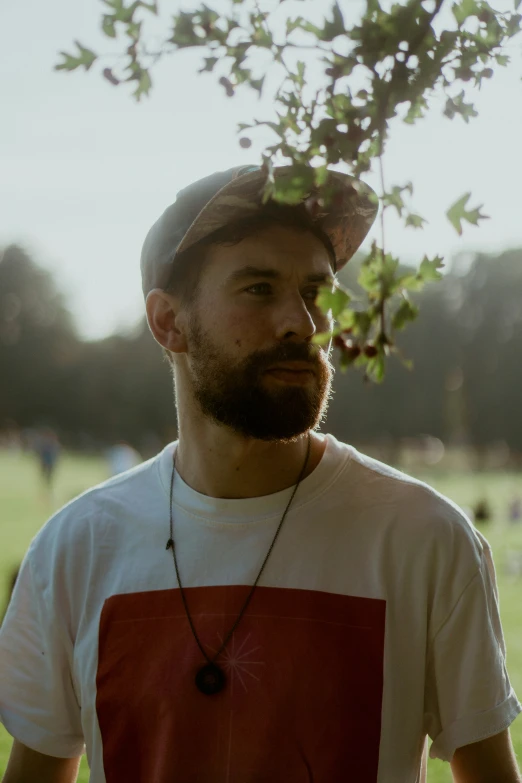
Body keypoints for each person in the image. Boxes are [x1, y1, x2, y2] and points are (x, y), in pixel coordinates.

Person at [0, 164, 520, 783]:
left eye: (317, 291)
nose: (302, 321)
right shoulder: (74, 548)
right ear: (169, 323)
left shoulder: (426, 538)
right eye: (258, 288)